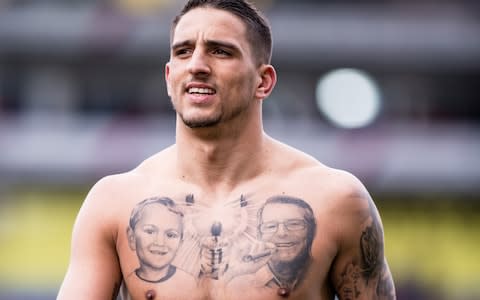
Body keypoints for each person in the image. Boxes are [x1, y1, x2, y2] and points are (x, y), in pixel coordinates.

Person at [57, 0, 396, 299]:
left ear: (263, 81)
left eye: (221, 51)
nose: (198, 65)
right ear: (169, 75)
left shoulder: (336, 200)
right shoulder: (114, 202)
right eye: (183, 51)